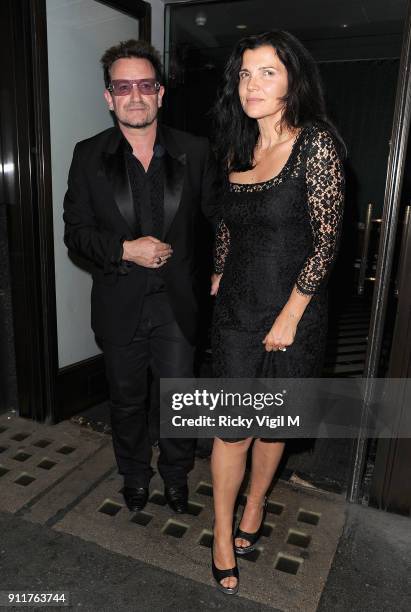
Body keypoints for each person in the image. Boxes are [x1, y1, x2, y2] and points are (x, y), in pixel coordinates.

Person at [209, 30, 345, 594]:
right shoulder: (237, 147)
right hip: (237, 311)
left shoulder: (315, 144)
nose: (252, 84)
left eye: (267, 72)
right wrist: (218, 274)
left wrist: (291, 314)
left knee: (271, 427)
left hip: (293, 312)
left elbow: (327, 239)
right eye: (245, 73)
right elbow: (225, 223)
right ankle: (220, 532)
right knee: (231, 428)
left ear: (293, 80)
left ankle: (256, 505)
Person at [63, 39, 217, 514]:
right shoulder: (88, 155)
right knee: (126, 403)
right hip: (120, 303)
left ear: (160, 93)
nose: (135, 96)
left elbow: (217, 222)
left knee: (179, 400)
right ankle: (134, 475)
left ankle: (175, 476)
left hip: (178, 306)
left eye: (145, 85)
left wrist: (222, 269)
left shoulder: (195, 150)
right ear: (109, 97)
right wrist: (124, 249)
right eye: (123, 86)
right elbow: (77, 234)